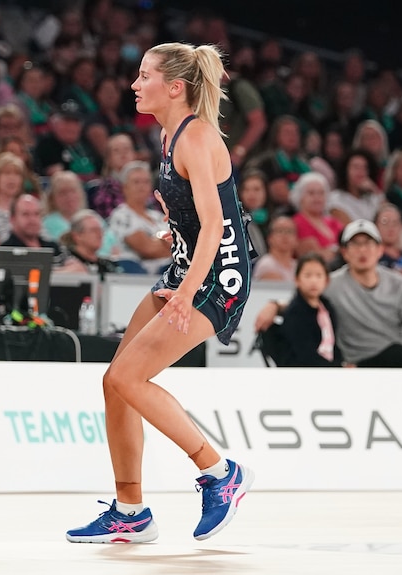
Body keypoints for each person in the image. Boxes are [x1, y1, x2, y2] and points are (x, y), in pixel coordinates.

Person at [66, 42, 254, 545]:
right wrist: (177, 230)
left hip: (217, 278)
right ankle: (130, 511)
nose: (134, 83)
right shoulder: (170, 131)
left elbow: (218, 227)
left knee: (129, 375)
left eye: (144, 75)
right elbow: (205, 216)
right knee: (115, 382)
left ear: (175, 87)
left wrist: (187, 292)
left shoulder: (196, 137)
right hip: (189, 266)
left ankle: (220, 474)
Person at [255, 219, 402, 369]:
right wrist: (274, 305)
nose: (363, 251)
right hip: (358, 362)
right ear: (344, 252)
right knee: (399, 354)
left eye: (368, 244)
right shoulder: (331, 283)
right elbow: (305, 301)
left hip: (398, 359)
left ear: (380, 250)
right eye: (355, 244)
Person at [267, 252, 343, 367]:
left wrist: (341, 364)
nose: (313, 281)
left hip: (326, 369)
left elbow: (334, 344)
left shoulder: (327, 308)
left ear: (326, 281)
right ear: (297, 280)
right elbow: (305, 355)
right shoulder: (295, 312)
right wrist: (337, 368)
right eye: (308, 275)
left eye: (318, 275)